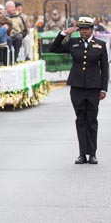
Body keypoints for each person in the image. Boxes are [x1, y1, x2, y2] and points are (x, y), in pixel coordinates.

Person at [49, 16, 108, 165]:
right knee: (80, 119)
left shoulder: (100, 45)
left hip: (93, 88)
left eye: (86, 29)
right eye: (81, 29)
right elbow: (53, 49)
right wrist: (64, 33)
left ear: (91, 30)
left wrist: (104, 89)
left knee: (92, 120)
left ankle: (93, 153)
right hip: (77, 88)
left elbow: (105, 69)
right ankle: (82, 153)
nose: (83, 32)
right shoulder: (73, 43)